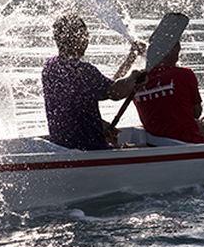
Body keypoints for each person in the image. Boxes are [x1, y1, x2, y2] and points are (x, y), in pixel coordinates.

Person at [41, 14, 146, 151]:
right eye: (85, 36)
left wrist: (130, 58)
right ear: (79, 39)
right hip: (89, 147)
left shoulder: (50, 67)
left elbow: (72, 107)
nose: (87, 41)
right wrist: (133, 77)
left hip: (61, 144)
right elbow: (115, 92)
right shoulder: (84, 71)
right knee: (138, 147)